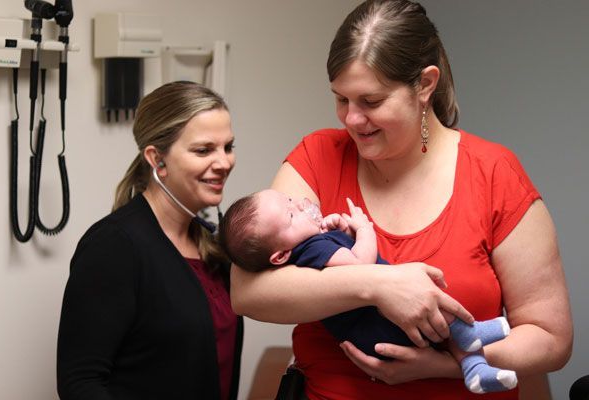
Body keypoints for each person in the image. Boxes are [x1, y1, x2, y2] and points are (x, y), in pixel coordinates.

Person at [229, 1, 573, 399]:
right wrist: (379, 284)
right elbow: (249, 292)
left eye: (371, 102)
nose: (351, 119)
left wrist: (446, 367)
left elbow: (551, 338)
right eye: (341, 99)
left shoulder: (494, 174)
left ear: (425, 84)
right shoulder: (318, 156)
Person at [221, 189, 517, 393]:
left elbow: (338, 258)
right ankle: (470, 333)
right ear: (280, 256)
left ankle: (475, 368)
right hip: (380, 327)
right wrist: (364, 231)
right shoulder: (310, 249)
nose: (299, 205)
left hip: (374, 333)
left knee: (436, 326)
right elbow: (359, 266)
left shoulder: (308, 247)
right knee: (432, 309)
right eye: (290, 216)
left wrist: (336, 232)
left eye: (289, 200)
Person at [56, 81, 243, 400]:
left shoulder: (209, 243)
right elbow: (80, 382)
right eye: (204, 150)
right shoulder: (115, 246)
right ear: (157, 160)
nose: (224, 162)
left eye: (228, 147)